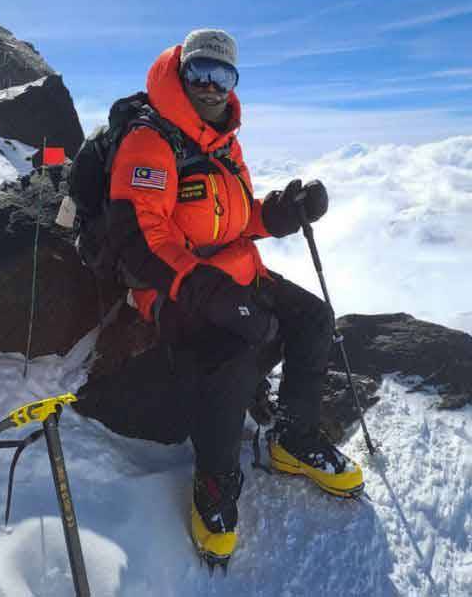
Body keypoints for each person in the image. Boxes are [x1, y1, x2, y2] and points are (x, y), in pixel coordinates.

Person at [105, 29, 363, 566]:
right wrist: (199, 286)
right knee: (235, 347)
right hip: (175, 285)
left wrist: (282, 211)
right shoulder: (150, 142)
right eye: (200, 71)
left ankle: (292, 439)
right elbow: (140, 237)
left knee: (313, 317)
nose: (211, 85)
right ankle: (216, 483)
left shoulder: (222, 139)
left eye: (223, 75)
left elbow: (238, 216)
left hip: (236, 272)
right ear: (181, 73)